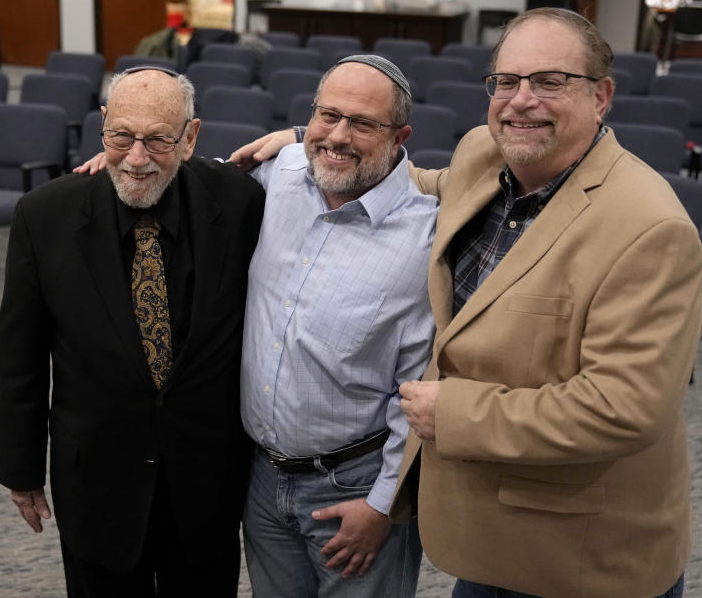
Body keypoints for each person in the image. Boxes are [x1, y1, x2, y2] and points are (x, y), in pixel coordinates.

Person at [233, 9, 702, 598]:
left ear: (601, 95)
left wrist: (454, 415)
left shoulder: (649, 228)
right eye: (506, 81)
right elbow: (419, 182)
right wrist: (315, 141)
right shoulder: (491, 153)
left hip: (585, 549)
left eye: (549, 81)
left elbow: (625, 407)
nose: (521, 100)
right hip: (489, 530)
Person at [78, 55, 438, 597]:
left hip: (354, 490)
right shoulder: (284, 171)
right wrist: (132, 158)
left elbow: (420, 389)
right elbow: (186, 169)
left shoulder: (425, 243)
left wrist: (383, 505)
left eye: (362, 123)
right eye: (327, 116)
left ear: (399, 136)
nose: (337, 137)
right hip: (261, 483)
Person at [0, 66, 265, 597]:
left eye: (158, 139)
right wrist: (20, 470)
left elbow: (337, 162)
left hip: (206, 482)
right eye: (121, 136)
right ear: (102, 126)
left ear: (191, 137)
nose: (137, 158)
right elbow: (19, 356)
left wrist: (296, 137)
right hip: (96, 481)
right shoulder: (44, 216)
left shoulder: (240, 204)